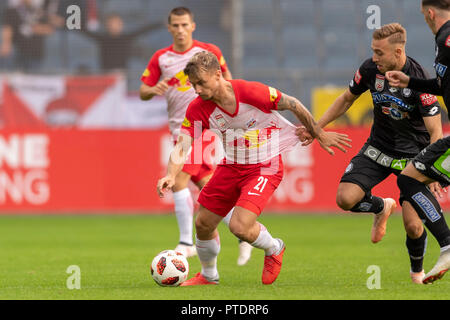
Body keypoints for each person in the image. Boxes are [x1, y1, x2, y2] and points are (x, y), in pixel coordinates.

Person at [156, 51, 351, 286]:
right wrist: (170, 174)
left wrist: (318, 133)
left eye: (201, 83)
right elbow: (182, 146)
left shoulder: (249, 92)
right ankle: (209, 276)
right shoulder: (198, 108)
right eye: (193, 84)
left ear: (218, 75)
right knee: (203, 224)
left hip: (265, 165)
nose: (197, 90)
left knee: (239, 226)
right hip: (231, 164)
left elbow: (294, 104)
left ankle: (274, 247)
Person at [303, 23, 444, 284]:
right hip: (377, 149)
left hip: (412, 160)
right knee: (345, 199)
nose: (374, 57)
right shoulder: (370, 69)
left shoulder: (420, 79)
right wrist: (316, 127)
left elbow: (435, 131)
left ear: (398, 52)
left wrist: (432, 169)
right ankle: (382, 207)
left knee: (413, 226)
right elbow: (346, 99)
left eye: (380, 52)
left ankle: (416, 273)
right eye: (373, 51)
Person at [140, 7, 254, 265]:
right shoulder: (161, 58)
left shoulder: (208, 53)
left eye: (184, 24)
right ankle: (243, 233)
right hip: (179, 131)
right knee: (210, 190)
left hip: (204, 126)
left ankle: (186, 243)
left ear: (193, 25)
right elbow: (142, 91)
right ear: (169, 28)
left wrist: (234, 115)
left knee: (178, 180)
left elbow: (227, 81)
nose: (180, 30)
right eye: (175, 26)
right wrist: (152, 89)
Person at [386, 0, 450, 284]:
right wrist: (409, 81)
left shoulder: (447, 37)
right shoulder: (443, 40)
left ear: (429, 12)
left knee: (409, 178)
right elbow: (441, 86)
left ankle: (448, 245)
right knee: (411, 178)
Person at [80, 13, 163, 71]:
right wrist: (69, 24)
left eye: (117, 23)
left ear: (121, 25)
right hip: (106, 75)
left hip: (122, 75)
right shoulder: (103, 39)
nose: (114, 26)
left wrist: (160, 24)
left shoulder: (126, 38)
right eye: (111, 24)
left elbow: (143, 30)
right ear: (107, 25)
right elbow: (86, 32)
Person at [0, 0, 56, 71]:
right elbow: (7, 28)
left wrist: (34, 28)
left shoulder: (39, 12)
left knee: (33, 79)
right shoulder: (12, 11)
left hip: (35, 54)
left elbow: (50, 29)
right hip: (18, 52)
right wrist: (6, 43)